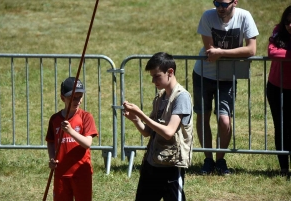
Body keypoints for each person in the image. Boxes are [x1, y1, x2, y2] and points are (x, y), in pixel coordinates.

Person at [192, 0, 259, 175]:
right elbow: (209, 51)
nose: (220, 7)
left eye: (224, 3)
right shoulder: (208, 16)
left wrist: (221, 52)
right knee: (203, 116)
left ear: (234, 2)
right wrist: (227, 53)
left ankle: (220, 160)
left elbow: (251, 50)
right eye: (216, 3)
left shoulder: (244, 16)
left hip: (228, 77)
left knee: (224, 120)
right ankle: (208, 160)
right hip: (203, 74)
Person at [123, 52, 193, 201]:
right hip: (152, 163)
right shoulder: (160, 97)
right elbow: (148, 132)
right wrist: (136, 119)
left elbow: (168, 132)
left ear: (170, 72)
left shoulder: (182, 97)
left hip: (171, 166)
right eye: (152, 77)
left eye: (157, 76)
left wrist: (141, 114)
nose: (154, 81)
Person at [46, 77, 98, 201]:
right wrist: (52, 158)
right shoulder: (55, 119)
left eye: (80, 97)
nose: (77, 101)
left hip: (81, 172)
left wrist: (70, 131)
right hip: (61, 173)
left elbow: (87, 143)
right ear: (62, 97)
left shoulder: (86, 117)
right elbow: (51, 141)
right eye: (73, 98)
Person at [267, 5, 291, 177]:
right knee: (280, 127)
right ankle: (283, 167)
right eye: (288, 22)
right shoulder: (278, 30)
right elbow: (272, 52)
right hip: (276, 87)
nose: (290, 25)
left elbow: (278, 53)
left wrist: (284, 53)